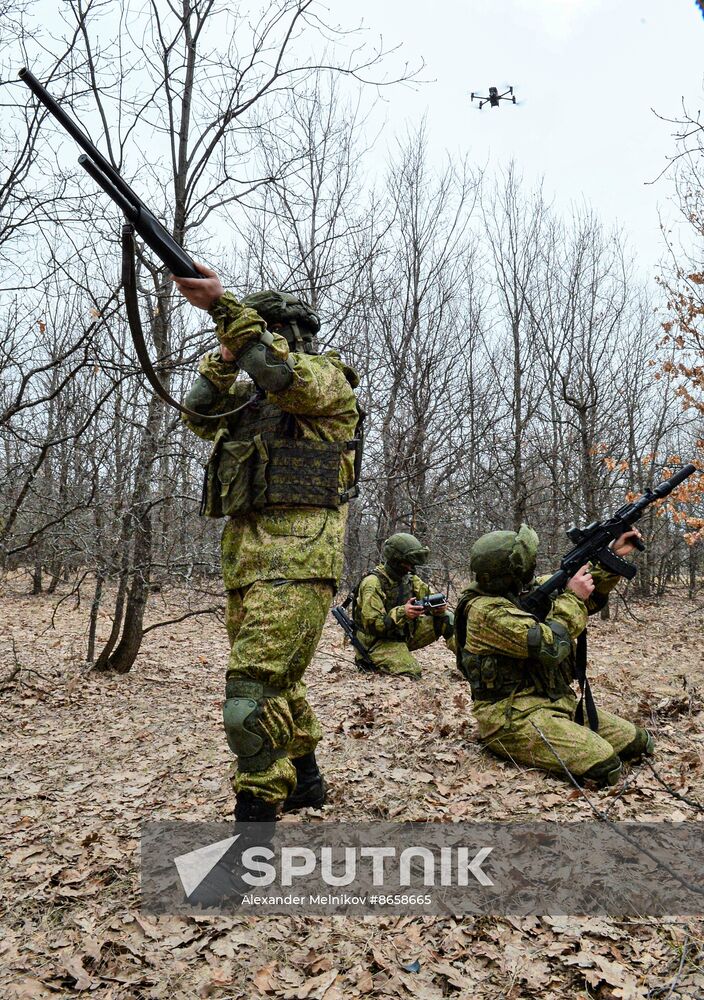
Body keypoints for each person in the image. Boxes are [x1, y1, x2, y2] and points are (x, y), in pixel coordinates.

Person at [174, 265, 363, 825]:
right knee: (279, 681)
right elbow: (196, 410)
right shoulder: (246, 405)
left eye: (266, 335)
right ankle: (307, 784)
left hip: (300, 562)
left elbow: (281, 376)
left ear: (290, 337)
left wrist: (221, 309)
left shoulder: (326, 382)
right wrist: (225, 358)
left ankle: (252, 831)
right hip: (246, 564)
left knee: (247, 700)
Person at [454, 524, 654, 787]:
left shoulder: (522, 592)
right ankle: (503, 744)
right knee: (605, 767)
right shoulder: (486, 612)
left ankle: (563, 732)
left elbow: (581, 591)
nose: (533, 565)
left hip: (556, 702)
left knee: (640, 743)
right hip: (511, 718)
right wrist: (573, 597)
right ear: (512, 571)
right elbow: (552, 646)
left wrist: (611, 556)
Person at [351, 533, 456, 678]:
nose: (411, 567)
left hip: (403, 634)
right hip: (377, 642)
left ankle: (471, 663)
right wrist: (402, 613)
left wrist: (438, 609)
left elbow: (429, 598)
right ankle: (372, 662)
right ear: (396, 561)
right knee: (411, 673)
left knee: (447, 619)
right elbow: (373, 624)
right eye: (408, 563)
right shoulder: (373, 583)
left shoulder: (410, 579)